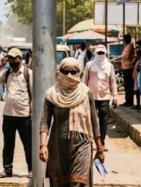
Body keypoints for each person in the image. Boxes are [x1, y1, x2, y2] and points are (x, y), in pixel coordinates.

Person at [40, 57, 105, 186]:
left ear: (79, 73)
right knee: (60, 183)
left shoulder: (86, 94)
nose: (69, 75)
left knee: (78, 182)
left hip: (82, 144)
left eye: (73, 72)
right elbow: (44, 121)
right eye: (65, 72)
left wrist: (100, 148)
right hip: (57, 146)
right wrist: (43, 145)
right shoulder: (52, 94)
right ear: (60, 72)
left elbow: (94, 122)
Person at [0, 48, 33, 178]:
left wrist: (33, 114)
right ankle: (7, 169)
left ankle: (31, 169)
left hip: (24, 115)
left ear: (20, 59)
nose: (12, 60)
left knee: (28, 145)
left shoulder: (27, 73)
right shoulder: (6, 72)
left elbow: (34, 94)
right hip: (8, 114)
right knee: (8, 145)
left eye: (14, 58)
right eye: (9, 58)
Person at [82, 45, 117, 150]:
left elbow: (112, 81)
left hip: (105, 96)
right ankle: (92, 142)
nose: (100, 55)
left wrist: (115, 96)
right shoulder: (89, 65)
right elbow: (84, 80)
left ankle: (102, 143)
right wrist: (82, 94)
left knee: (104, 121)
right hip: (91, 96)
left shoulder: (109, 66)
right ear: (95, 54)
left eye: (102, 53)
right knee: (91, 120)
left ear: (105, 54)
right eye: (99, 53)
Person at [120, 34, 136, 107]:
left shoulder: (129, 46)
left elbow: (125, 56)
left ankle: (129, 100)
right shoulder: (128, 46)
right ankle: (128, 100)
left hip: (128, 67)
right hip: (126, 67)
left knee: (129, 85)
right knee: (127, 85)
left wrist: (119, 57)